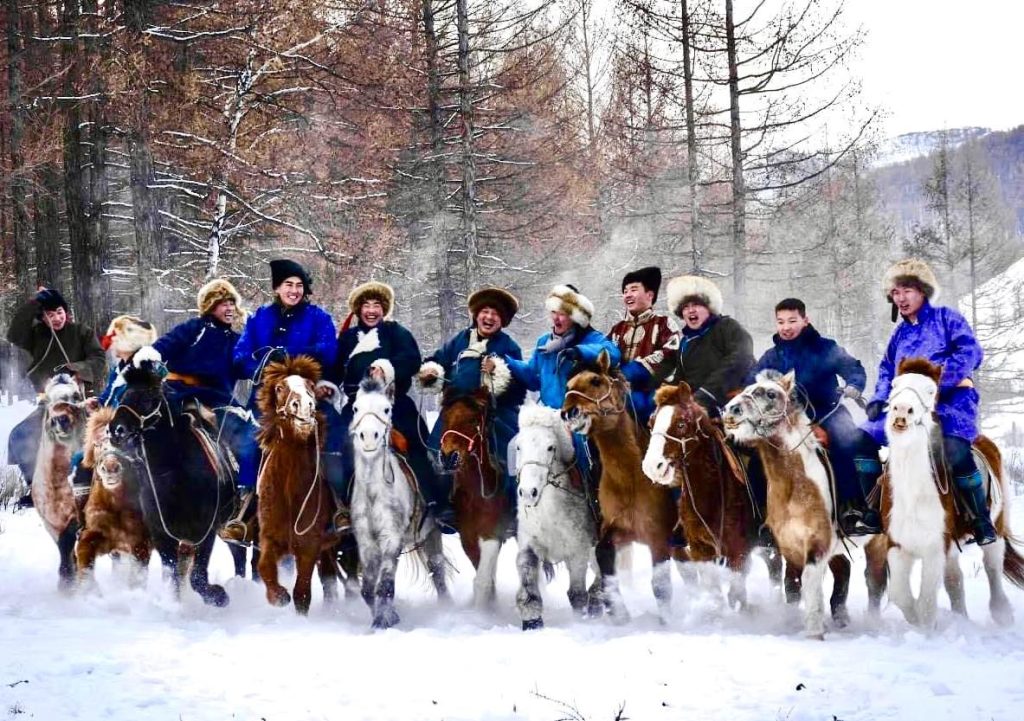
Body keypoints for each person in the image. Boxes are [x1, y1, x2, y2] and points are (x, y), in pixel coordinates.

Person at [852, 259, 994, 544]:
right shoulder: (900, 334)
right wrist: (880, 398)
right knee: (861, 439)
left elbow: (971, 351)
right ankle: (871, 510)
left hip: (949, 404)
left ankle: (980, 518)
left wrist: (935, 382)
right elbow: (885, 368)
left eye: (907, 290)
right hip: (905, 407)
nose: (901, 298)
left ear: (923, 291)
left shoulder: (947, 319)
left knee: (954, 449)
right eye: (895, 292)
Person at [220, 259, 337, 544]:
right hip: (267, 398)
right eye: (288, 285)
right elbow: (240, 356)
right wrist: (261, 361)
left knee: (333, 437)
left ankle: (337, 504)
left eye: (299, 286)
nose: (294, 291)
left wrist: (290, 355)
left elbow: (329, 349)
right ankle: (245, 505)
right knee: (250, 440)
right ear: (277, 288)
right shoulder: (259, 318)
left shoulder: (318, 318)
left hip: (308, 395)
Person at [327, 281, 437, 530]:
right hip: (357, 406)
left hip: (394, 402)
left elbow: (411, 359)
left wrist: (386, 368)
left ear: (384, 309)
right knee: (338, 444)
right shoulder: (346, 338)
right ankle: (342, 507)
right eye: (366, 305)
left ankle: (432, 501)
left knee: (418, 439)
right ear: (358, 310)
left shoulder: (396, 332)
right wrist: (326, 384)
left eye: (377, 305)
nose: (372, 310)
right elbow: (334, 370)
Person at [746, 298, 868, 523]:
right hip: (785, 418)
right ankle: (762, 516)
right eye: (781, 321)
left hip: (826, 412)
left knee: (845, 441)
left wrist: (854, 384)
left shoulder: (825, 347)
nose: (786, 327)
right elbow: (751, 381)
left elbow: (853, 367)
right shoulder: (772, 356)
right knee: (757, 459)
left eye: (792, 320)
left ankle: (852, 506)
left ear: (805, 320)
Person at [418, 287, 525, 527]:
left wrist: (499, 373)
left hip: (494, 413)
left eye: (495, 314)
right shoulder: (460, 340)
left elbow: (519, 388)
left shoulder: (509, 347)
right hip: (456, 412)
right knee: (436, 451)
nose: (489, 317)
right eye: (485, 311)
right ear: (477, 315)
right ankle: (445, 507)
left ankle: (512, 510)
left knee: (507, 455)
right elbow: (435, 360)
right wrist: (432, 372)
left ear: (503, 320)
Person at [151, 279, 260, 505]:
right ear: (210, 305)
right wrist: (146, 360)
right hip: (178, 394)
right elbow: (161, 348)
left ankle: (245, 491)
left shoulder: (237, 341)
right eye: (223, 303)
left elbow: (248, 367)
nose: (229, 308)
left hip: (218, 400)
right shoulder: (194, 328)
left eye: (232, 302)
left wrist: (270, 367)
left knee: (250, 437)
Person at [505, 284, 621, 482]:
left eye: (562, 314)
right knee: (518, 449)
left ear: (575, 316)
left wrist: (578, 352)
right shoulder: (544, 341)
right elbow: (533, 378)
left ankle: (591, 496)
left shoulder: (590, 338)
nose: (556, 318)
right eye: (553, 312)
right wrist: (506, 361)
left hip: (577, 414)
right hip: (549, 416)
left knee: (584, 452)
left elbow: (613, 352)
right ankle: (523, 502)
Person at [6, 287, 106, 506]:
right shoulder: (35, 336)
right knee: (20, 435)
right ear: (42, 318)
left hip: (80, 402)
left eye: (59, 312)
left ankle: (92, 487)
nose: (57, 318)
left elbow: (98, 359)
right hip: (48, 404)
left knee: (92, 440)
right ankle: (36, 488)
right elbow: (13, 334)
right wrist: (34, 303)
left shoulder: (81, 332)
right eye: (50, 315)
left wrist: (77, 369)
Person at [626, 275, 754, 418]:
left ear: (709, 307)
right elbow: (681, 379)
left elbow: (741, 358)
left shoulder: (727, 327)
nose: (691, 310)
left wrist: (706, 393)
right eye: (686, 307)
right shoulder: (685, 343)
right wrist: (657, 392)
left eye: (696, 305)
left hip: (731, 405)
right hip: (696, 407)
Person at [608, 266, 675, 423]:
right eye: (625, 291)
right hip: (621, 392)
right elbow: (606, 353)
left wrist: (634, 370)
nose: (627, 295)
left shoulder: (664, 323)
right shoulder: (617, 329)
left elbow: (671, 352)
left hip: (653, 393)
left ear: (650, 295)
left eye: (633, 289)